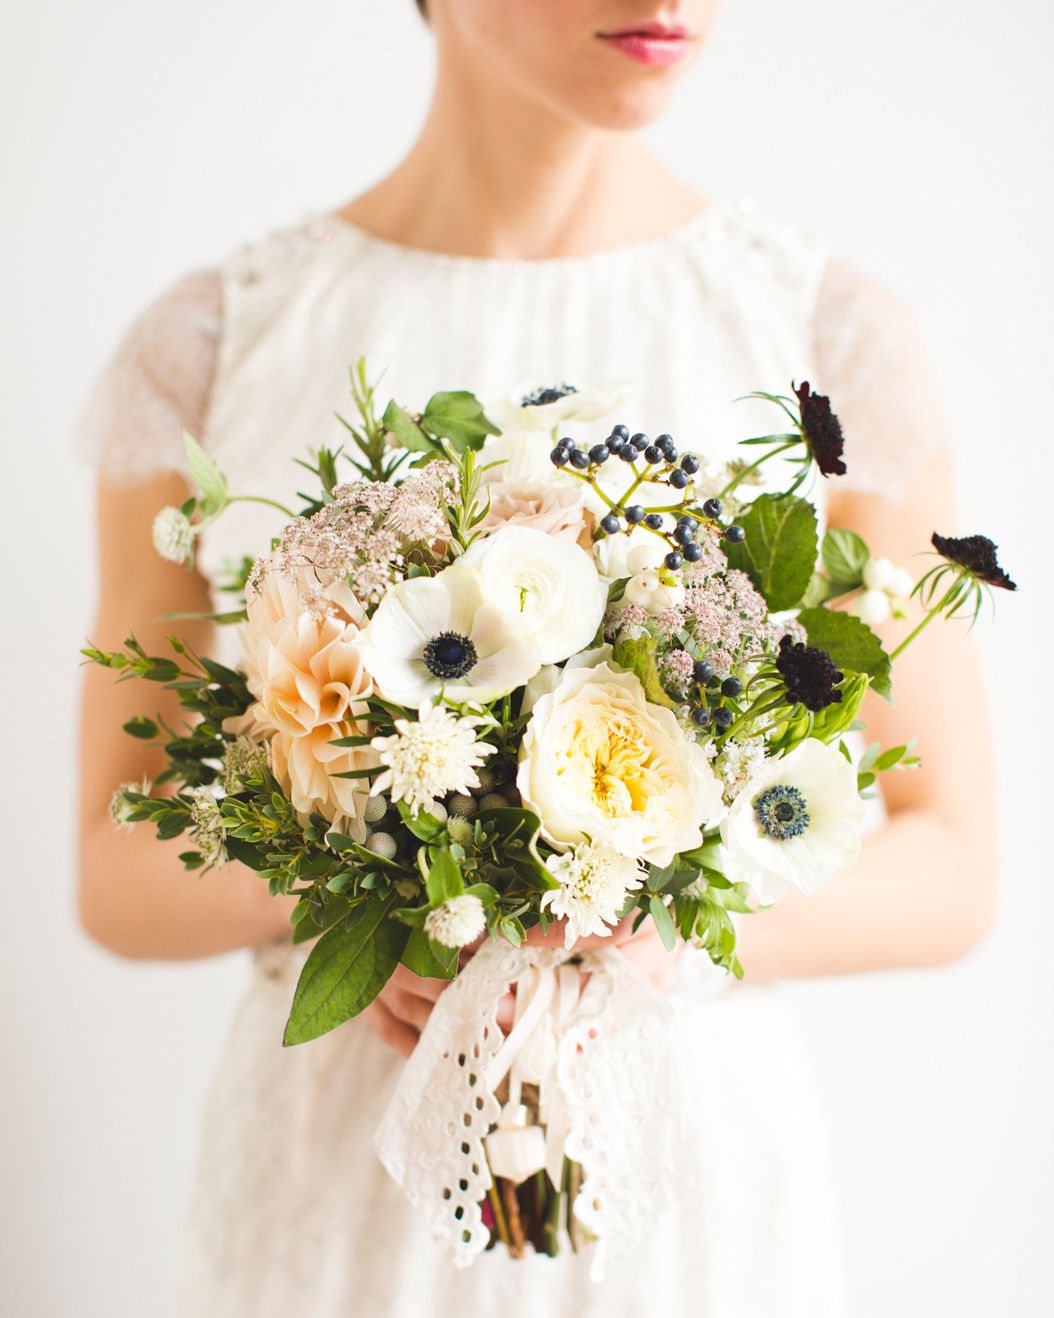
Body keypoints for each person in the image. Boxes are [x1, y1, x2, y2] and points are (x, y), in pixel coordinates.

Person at [78, 2, 996, 1314]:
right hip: (340, 1195)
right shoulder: (219, 344)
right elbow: (116, 868)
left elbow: (951, 854)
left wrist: (660, 934)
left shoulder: (825, 340)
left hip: (677, 1194)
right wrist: (368, 908)